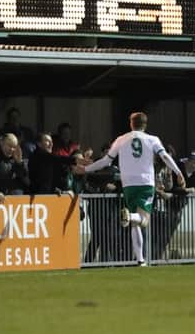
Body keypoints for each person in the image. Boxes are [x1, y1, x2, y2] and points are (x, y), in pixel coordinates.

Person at [75, 112, 185, 266]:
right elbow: (165, 156)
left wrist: (86, 170)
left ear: (131, 124)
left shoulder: (121, 139)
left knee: (135, 225)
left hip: (128, 184)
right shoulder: (152, 139)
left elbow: (106, 161)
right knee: (143, 220)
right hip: (146, 182)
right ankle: (130, 217)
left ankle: (140, 260)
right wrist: (178, 172)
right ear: (145, 125)